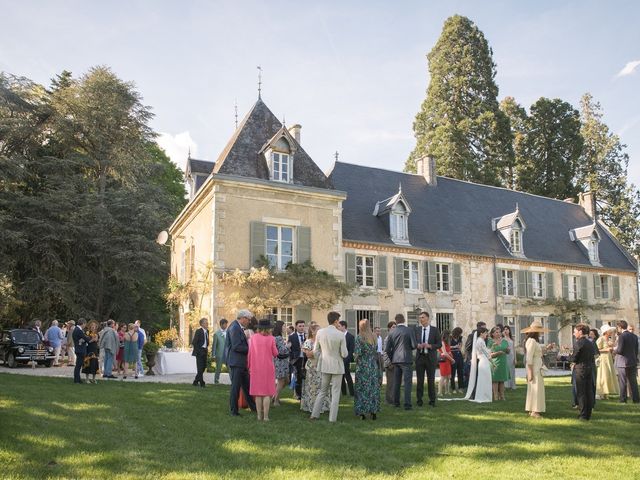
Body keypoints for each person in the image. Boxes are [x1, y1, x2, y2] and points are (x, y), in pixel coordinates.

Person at [310, 311, 348, 422]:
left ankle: (314, 414)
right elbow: (344, 354)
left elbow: (315, 350)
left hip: (325, 364)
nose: (339, 323)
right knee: (335, 393)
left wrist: (321, 358)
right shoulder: (340, 334)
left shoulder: (320, 332)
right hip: (337, 366)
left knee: (322, 391)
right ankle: (332, 418)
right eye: (338, 321)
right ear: (336, 321)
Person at [225, 309, 257, 416]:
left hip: (240, 362)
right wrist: (250, 349)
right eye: (248, 319)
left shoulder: (237, 327)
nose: (249, 322)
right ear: (243, 318)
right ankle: (234, 411)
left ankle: (253, 407)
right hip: (236, 362)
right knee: (236, 387)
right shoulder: (234, 327)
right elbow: (236, 346)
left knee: (247, 386)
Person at [247, 319, 278, 421]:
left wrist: (249, 366)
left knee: (258, 393)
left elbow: (250, 353)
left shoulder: (254, 338)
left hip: (256, 367)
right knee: (267, 393)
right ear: (268, 328)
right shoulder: (271, 338)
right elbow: (275, 353)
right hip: (268, 368)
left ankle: (259, 416)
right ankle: (266, 417)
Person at [385, 313, 417, 410]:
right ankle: (407, 404)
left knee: (396, 382)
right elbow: (414, 345)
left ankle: (396, 402)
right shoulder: (409, 330)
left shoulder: (392, 332)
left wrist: (392, 358)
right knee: (407, 383)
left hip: (396, 360)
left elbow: (387, 349)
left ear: (396, 321)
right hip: (406, 359)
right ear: (404, 320)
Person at [522, 319, 552, 418]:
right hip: (534, 367)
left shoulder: (534, 341)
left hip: (537, 365)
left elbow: (537, 353)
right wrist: (529, 372)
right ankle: (535, 411)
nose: (541, 332)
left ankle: (532, 409)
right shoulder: (531, 341)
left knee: (536, 388)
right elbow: (529, 357)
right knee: (535, 388)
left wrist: (547, 348)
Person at [354, 319, 381, 420]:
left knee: (362, 388)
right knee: (373, 388)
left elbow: (358, 353)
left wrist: (355, 359)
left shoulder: (359, 337)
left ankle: (362, 412)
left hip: (363, 365)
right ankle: (373, 412)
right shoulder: (374, 337)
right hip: (373, 365)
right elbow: (376, 349)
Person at [414, 311, 442, 407]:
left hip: (430, 358)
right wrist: (417, 345)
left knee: (431, 380)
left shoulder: (435, 330)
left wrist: (430, 346)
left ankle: (432, 400)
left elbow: (439, 344)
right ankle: (419, 400)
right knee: (420, 380)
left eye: (422, 317)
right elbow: (413, 342)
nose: (421, 319)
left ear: (427, 318)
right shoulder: (417, 330)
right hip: (420, 358)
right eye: (420, 318)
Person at [300, 324, 330, 413]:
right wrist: (318, 351)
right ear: (312, 332)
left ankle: (323, 406)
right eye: (318, 330)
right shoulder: (308, 342)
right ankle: (312, 406)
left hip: (322, 366)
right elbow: (308, 354)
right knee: (313, 387)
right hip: (312, 367)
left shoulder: (323, 341)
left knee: (323, 386)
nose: (320, 332)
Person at [570, 323, 597, 420]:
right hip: (589, 368)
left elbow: (574, 357)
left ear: (580, 332)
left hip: (580, 369)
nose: (574, 334)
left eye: (575, 332)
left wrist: (570, 357)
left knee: (581, 392)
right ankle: (587, 413)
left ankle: (583, 414)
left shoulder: (579, 343)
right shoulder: (590, 342)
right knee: (588, 391)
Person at [614, 320, 640, 403]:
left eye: (618, 327)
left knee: (622, 382)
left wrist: (614, 349)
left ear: (620, 327)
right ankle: (636, 399)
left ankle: (623, 399)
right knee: (633, 382)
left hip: (622, 362)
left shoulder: (622, 336)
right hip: (632, 361)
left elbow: (620, 350)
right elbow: (636, 350)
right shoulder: (634, 336)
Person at [468, 327, 492, 403]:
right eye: (485, 333)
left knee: (483, 379)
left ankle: (483, 395)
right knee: (485, 379)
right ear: (481, 333)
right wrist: (492, 348)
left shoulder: (479, 340)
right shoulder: (480, 341)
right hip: (484, 361)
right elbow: (486, 352)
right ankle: (484, 396)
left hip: (482, 360)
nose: (487, 335)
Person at [595, 324, 619, 399]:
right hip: (603, 359)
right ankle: (600, 393)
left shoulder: (608, 339)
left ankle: (606, 393)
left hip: (608, 358)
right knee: (603, 375)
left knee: (608, 375)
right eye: (609, 330)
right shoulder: (601, 339)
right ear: (605, 332)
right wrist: (606, 350)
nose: (611, 331)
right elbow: (596, 350)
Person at [464, 321, 486, 398]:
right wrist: (470, 359)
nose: (485, 330)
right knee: (473, 377)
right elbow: (467, 348)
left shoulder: (483, 336)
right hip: (473, 360)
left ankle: (480, 392)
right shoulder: (471, 336)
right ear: (479, 328)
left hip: (482, 359)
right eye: (484, 328)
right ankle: (473, 394)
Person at [488, 326, 509, 401]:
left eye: (499, 332)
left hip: (503, 362)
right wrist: (498, 353)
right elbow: (489, 354)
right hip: (494, 362)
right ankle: (496, 396)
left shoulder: (504, 341)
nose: (498, 333)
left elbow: (508, 352)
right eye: (496, 332)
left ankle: (502, 396)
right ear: (492, 334)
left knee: (502, 380)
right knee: (495, 380)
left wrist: (508, 350)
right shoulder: (490, 342)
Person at [272, 320, 290, 405]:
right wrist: (288, 346)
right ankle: (276, 400)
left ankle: (274, 396)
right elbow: (282, 350)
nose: (285, 328)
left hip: (281, 362)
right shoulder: (278, 338)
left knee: (286, 380)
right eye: (283, 326)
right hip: (280, 362)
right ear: (279, 327)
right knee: (281, 381)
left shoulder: (276, 337)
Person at [288, 320, 307, 401]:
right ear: (296, 327)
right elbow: (289, 349)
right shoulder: (292, 337)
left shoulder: (307, 336)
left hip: (306, 358)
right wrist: (292, 359)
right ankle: (299, 395)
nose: (302, 328)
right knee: (298, 377)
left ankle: (306, 393)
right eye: (300, 326)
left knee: (306, 377)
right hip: (297, 359)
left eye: (303, 326)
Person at [338, 320, 355, 397]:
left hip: (346, 360)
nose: (338, 328)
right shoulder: (337, 336)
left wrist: (346, 359)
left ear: (343, 326)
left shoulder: (350, 336)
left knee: (347, 376)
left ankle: (352, 392)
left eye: (339, 326)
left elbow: (351, 350)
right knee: (341, 377)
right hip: (339, 359)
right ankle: (344, 392)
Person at [191, 318, 209, 388]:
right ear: (201, 324)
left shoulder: (207, 331)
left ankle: (196, 381)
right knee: (200, 367)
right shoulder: (198, 331)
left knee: (203, 367)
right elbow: (194, 342)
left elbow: (206, 341)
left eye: (207, 322)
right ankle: (202, 383)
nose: (207, 324)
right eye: (205, 323)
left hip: (205, 350)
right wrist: (199, 351)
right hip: (199, 351)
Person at [383, 321, 397, 405]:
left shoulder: (395, 338)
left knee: (395, 383)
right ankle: (388, 400)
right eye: (393, 327)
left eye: (395, 327)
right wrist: (389, 363)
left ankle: (394, 398)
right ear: (389, 328)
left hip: (395, 363)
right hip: (389, 364)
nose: (394, 329)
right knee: (390, 383)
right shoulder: (387, 338)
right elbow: (385, 352)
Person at [72, 318, 90, 384]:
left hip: (78, 348)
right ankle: (76, 380)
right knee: (78, 366)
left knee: (78, 365)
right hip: (80, 349)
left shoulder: (77, 329)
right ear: (83, 323)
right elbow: (85, 338)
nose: (85, 326)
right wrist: (89, 338)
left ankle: (78, 379)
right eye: (85, 324)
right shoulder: (79, 330)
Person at [438, 330, 455, 396]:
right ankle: (439, 392)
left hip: (448, 361)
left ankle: (447, 391)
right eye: (449, 335)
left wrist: (453, 347)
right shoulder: (442, 342)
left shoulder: (446, 342)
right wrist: (452, 359)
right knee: (443, 376)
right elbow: (444, 353)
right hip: (444, 361)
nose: (450, 337)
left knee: (448, 376)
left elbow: (448, 349)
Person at [213, 319, 228, 384]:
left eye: (226, 324)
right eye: (225, 324)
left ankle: (233, 381)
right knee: (218, 368)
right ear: (221, 325)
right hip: (219, 354)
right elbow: (214, 345)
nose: (226, 325)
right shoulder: (216, 334)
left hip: (227, 354)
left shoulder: (229, 332)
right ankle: (216, 381)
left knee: (230, 368)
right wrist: (213, 355)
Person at [450, 327, 465, 393]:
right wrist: (454, 347)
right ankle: (453, 388)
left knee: (460, 372)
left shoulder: (460, 338)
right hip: (452, 355)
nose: (460, 334)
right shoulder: (450, 338)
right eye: (459, 333)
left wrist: (460, 346)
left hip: (459, 355)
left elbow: (460, 346)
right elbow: (447, 347)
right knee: (452, 373)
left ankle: (460, 387)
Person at [502, 326, 517, 390]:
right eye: (504, 329)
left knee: (512, 371)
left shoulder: (512, 339)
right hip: (506, 356)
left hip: (512, 356)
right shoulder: (502, 339)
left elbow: (514, 349)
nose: (506, 330)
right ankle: (505, 385)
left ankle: (512, 385)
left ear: (509, 330)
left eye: (507, 329)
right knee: (506, 370)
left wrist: (515, 358)